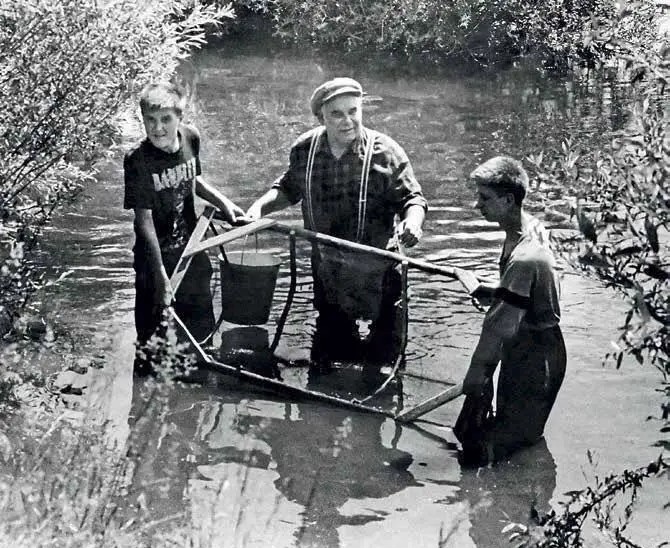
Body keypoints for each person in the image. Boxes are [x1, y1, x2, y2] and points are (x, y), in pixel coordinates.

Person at [245, 77, 427, 371]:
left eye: (353, 111)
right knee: (329, 359)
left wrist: (413, 223)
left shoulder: (386, 152)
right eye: (337, 114)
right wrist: (259, 208)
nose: (348, 121)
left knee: (385, 362)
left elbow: (413, 199)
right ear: (321, 117)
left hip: (378, 272)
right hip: (329, 271)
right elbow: (288, 189)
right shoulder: (305, 149)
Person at [123, 81, 245, 376]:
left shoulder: (191, 138)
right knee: (151, 339)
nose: (158, 128)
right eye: (150, 121)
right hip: (154, 261)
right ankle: (145, 400)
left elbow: (194, 181)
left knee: (200, 327)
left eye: (165, 119)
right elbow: (144, 221)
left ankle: (197, 393)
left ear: (179, 117)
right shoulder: (138, 160)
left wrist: (226, 205)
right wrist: (161, 277)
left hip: (192, 250)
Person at [454, 156, 567, 466]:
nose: (478, 205)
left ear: (508, 199)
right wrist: (498, 291)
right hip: (528, 345)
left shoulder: (524, 257)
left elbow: (498, 328)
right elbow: (536, 290)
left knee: (510, 445)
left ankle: (523, 504)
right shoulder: (527, 228)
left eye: (485, 198)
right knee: (509, 434)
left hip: (536, 356)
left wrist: (476, 374)